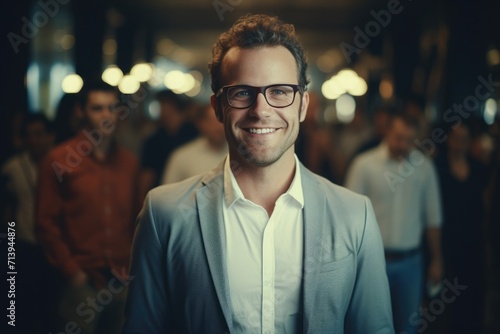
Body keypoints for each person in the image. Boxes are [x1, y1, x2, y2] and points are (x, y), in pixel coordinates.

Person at [124, 13, 394, 334]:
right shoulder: (162, 213)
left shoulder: (355, 214)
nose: (261, 110)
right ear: (217, 107)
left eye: (280, 91)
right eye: (241, 92)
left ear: (303, 105)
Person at [36, 78, 139, 334]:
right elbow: (45, 221)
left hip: (121, 277)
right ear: (82, 112)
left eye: (112, 107)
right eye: (97, 108)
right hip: (81, 278)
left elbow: (137, 218)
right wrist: (72, 271)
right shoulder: (59, 159)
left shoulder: (129, 162)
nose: (106, 115)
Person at [345, 112, 443, 334]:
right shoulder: (364, 165)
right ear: (387, 132)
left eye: (409, 140)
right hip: (372, 261)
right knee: (368, 326)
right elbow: (349, 217)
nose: (403, 145)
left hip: (411, 262)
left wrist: (436, 259)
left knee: (409, 327)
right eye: (399, 138)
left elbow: (433, 217)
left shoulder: (424, 167)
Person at [1, 112, 58, 333]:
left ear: (49, 136)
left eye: (39, 134)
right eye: (29, 135)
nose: (34, 140)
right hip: (24, 243)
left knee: (51, 305)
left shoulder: (61, 163)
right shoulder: (12, 168)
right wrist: (10, 247)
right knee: (21, 305)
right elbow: (7, 211)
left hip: (52, 243)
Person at [435, 123, 487, 334]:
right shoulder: (438, 169)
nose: (460, 143)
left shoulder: (478, 168)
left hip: (474, 244)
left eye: (464, 138)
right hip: (448, 244)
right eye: (456, 137)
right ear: (448, 139)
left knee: (472, 298)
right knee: (447, 304)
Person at [138, 89, 198, 200]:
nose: (159, 111)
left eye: (160, 106)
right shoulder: (155, 139)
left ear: (169, 106)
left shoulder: (194, 135)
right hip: (162, 197)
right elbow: (147, 176)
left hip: (190, 196)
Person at [161, 103, 227, 184]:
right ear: (201, 124)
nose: (218, 126)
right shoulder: (182, 156)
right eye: (212, 121)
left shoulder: (239, 153)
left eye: (221, 120)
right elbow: (168, 191)